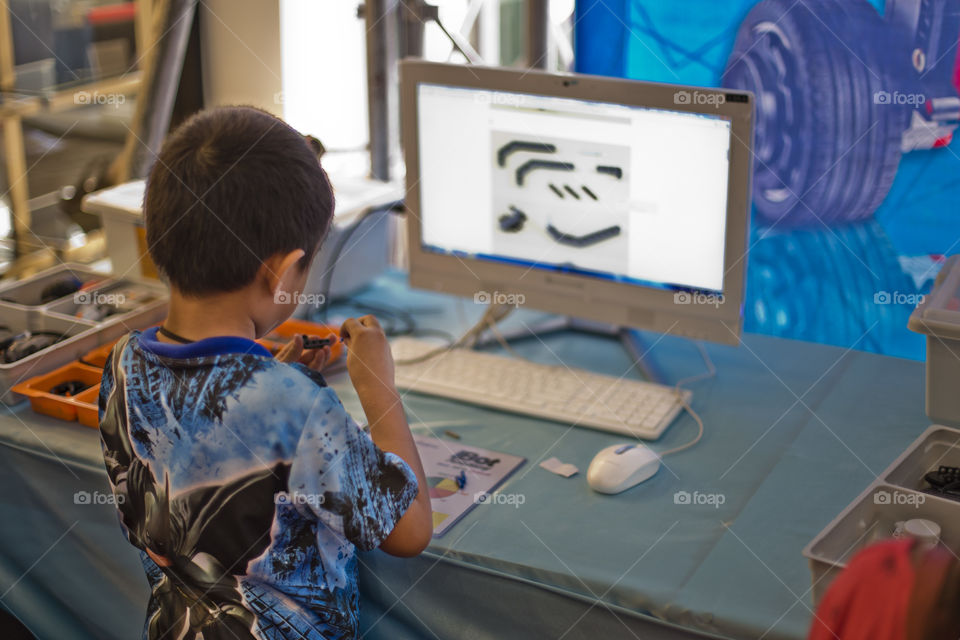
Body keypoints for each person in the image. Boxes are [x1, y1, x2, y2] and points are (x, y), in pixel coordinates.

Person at [97, 105, 432, 640]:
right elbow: (409, 529)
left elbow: (196, 436)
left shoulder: (122, 364)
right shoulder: (293, 405)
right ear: (280, 272)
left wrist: (259, 376)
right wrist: (378, 387)